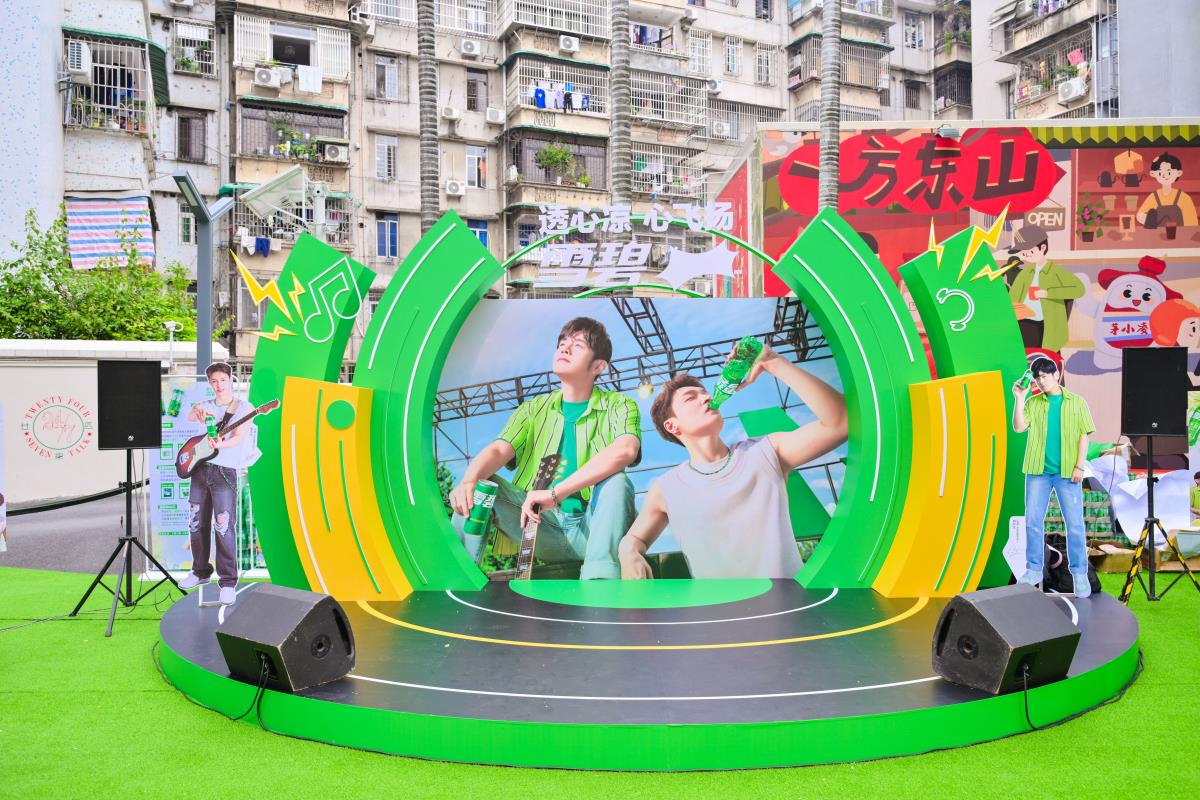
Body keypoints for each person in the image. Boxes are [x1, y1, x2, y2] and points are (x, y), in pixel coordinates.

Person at [618, 345, 847, 580]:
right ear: (672, 426)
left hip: (787, 601)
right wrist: (628, 552)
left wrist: (772, 361)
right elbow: (634, 539)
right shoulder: (666, 488)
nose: (707, 397)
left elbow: (841, 423)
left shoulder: (765, 451)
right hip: (717, 604)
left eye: (705, 393)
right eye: (691, 398)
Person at [448, 317, 640, 579]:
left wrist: (555, 494)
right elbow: (497, 450)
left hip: (594, 528)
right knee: (478, 485)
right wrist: (468, 480)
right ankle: (458, 580)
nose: (565, 349)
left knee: (617, 481)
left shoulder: (620, 405)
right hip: (540, 525)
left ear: (598, 366)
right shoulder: (532, 409)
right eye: (562, 344)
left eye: (577, 345)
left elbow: (625, 450)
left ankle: (600, 583)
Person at [1012, 356, 1096, 598]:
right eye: (1037, 378)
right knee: (1033, 521)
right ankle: (1034, 569)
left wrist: (1079, 466)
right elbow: (1019, 427)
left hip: (1067, 471)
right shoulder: (1033, 403)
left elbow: (1084, 435)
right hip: (1038, 471)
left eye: (1045, 376)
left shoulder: (1077, 402)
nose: (1041, 381)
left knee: (1075, 524)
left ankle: (1079, 573)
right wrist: (1019, 398)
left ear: (1056, 375)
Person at [178, 362, 254, 605]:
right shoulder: (206, 405)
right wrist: (199, 413)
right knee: (196, 523)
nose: (219, 385)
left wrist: (221, 444)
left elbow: (239, 438)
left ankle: (228, 582)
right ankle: (200, 571)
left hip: (224, 472)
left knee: (223, 527)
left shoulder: (244, 407)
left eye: (222, 380)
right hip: (200, 469)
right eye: (214, 381)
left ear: (230, 379)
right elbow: (190, 416)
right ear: (209, 383)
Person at [1007, 223, 1086, 352]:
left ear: (1042, 248)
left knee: (1049, 357)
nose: (1027, 256)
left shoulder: (1056, 272)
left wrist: (1048, 293)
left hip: (1049, 325)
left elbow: (1079, 289)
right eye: (1024, 253)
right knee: (1027, 356)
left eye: (1030, 251)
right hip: (1025, 323)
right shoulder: (1025, 274)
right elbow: (1012, 298)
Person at [1135, 152, 1198, 230]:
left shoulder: (1184, 198)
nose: (1164, 176)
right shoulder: (1154, 196)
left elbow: (1191, 224)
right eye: (1160, 173)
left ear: (1179, 173)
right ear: (1153, 174)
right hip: (1156, 236)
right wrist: (1147, 219)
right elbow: (1140, 215)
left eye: (1169, 172)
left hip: (1179, 236)